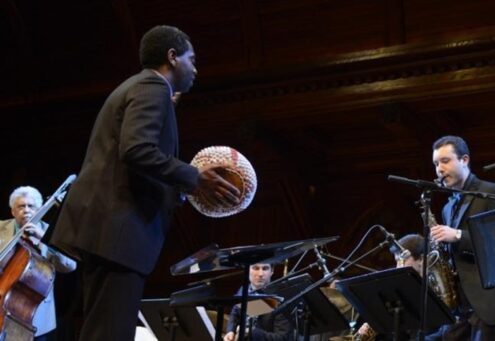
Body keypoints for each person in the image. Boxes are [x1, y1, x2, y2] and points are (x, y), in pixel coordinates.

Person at [50, 25, 240, 341]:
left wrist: (178, 191)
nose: (196, 68)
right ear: (172, 56)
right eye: (191, 59)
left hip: (106, 231)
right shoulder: (152, 86)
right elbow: (136, 149)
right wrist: (195, 178)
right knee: (110, 333)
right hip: (118, 232)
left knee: (101, 330)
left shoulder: (140, 88)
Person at [429, 135, 495, 341]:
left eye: (445, 161)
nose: (439, 169)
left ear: (464, 160)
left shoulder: (491, 192)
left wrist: (457, 235)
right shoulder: (447, 207)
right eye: (436, 164)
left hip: (489, 302)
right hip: (461, 306)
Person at [0, 186, 76, 341]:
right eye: (21, 206)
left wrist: (43, 239)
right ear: (13, 211)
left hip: (36, 312)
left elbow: (70, 265)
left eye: (31, 206)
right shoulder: (1, 228)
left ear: (40, 209)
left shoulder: (52, 233)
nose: (26, 210)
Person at [224, 263, 291, 341]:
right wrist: (231, 331)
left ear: (272, 271)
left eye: (265, 268)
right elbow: (235, 314)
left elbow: (282, 338)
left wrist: (251, 333)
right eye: (255, 268)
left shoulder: (279, 298)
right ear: (247, 270)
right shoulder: (243, 290)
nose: (260, 274)